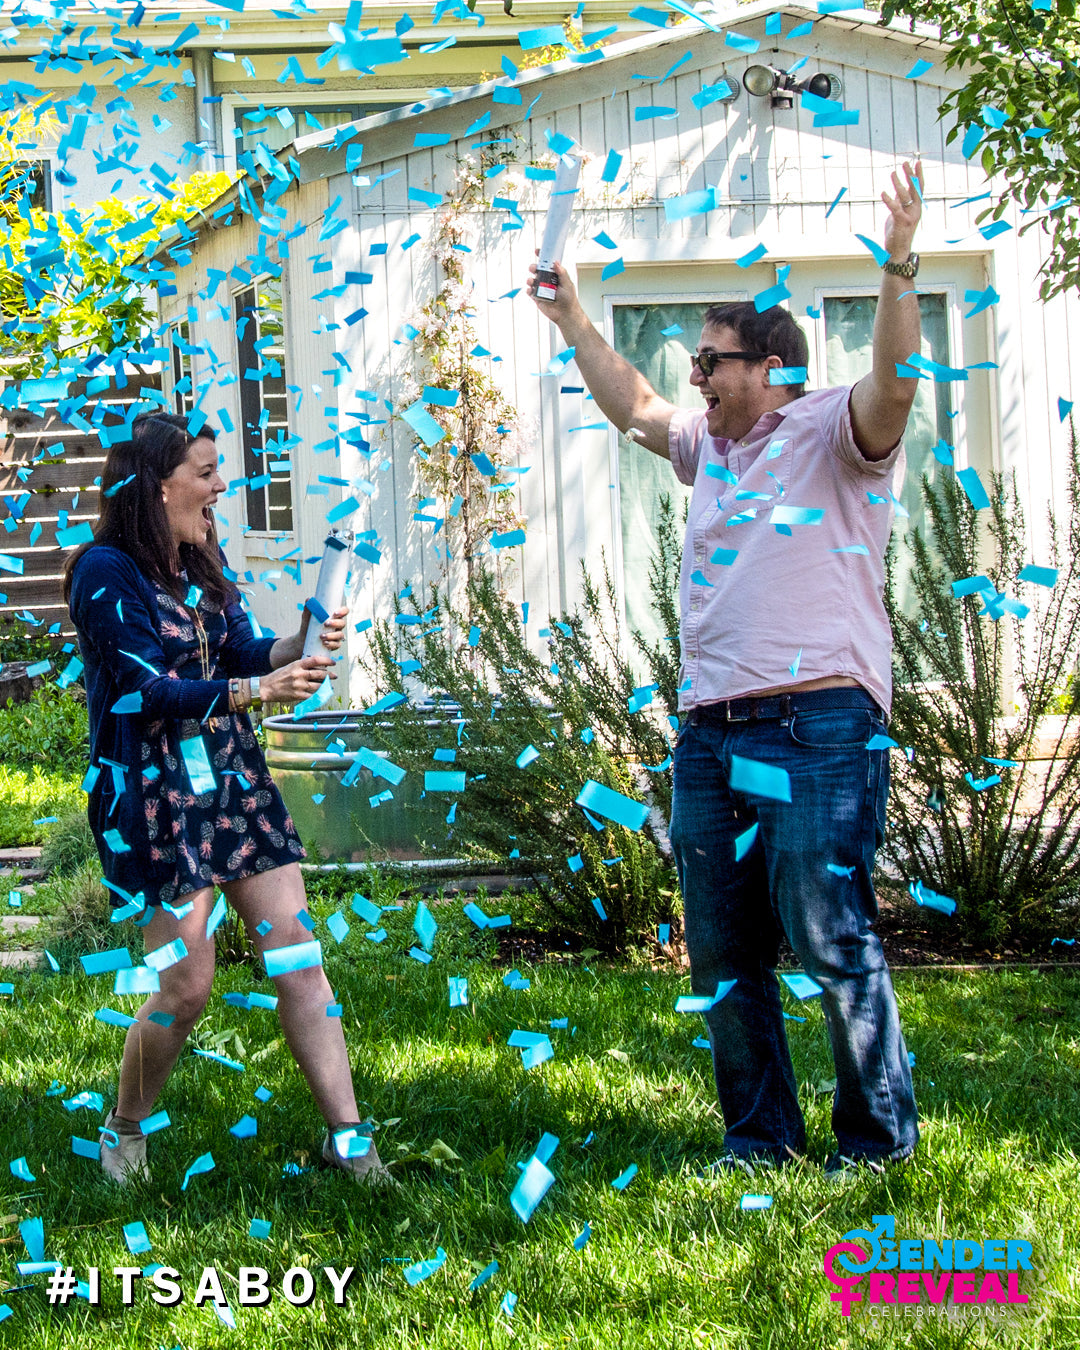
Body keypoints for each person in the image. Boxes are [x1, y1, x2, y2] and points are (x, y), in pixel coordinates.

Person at [529, 163, 924, 1177]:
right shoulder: (710, 444)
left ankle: (877, 1147)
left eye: (713, 360)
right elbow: (638, 407)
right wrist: (573, 317)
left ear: (773, 367)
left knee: (830, 934)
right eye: (699, 361)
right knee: (723, 954)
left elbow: (894, 379)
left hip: (818, 725)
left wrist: (898, 268)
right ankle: (759, 1143)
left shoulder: (836, 430)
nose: (696, 374)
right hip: (710, 734)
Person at [63, 413, 392, 1187]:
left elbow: (244, 649)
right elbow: (147, 691)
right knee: (186, 982)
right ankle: (124, 1131)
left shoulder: (202, 560)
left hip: (233, 781)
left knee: (299, 957)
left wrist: (299, 644)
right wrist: (257, 690)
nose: (221, 486)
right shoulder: (103, 572)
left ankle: (351, 1145)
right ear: (157, 483)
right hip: (152, 794)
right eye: (206, 471)